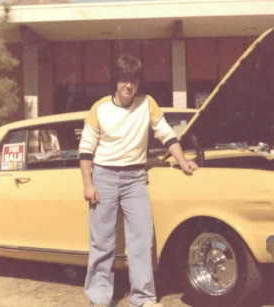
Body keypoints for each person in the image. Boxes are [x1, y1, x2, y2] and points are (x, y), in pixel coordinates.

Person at [78, 54, 198, 307]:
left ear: (138, 83)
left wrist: (183, 160)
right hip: (104, 176)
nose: (128, 86)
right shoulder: (99, 109)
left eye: (133, 81)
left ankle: (143, 299)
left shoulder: (148, 104)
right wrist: (88, 184)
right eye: (123, 80)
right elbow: (86, 150)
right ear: (116, 82)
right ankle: (99, 298)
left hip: (135, 179)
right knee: (102, 242)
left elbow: (167, 135)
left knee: (141, 240)